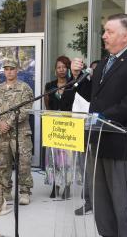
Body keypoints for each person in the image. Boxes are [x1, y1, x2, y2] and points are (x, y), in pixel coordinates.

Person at [71, 14, 127, 237]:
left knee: (123, 208)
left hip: (123, 147)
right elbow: (92, 97)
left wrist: (100, 117)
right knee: (103, 207)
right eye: (104, 31)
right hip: (99, 144)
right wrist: (77, 76)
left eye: (109, 31)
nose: (104, 36)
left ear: (125, 35)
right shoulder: (104, 63)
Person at [0, 59, 34, 205]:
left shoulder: (25, 88)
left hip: (20, 133)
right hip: (2, 133)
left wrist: (8, 122)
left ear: (17, 70)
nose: (9, 71)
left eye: (12, 69)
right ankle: (6, 191)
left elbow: (25, 110)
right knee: (3, 163)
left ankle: (25, 192)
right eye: (6, 69)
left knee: (23, 163)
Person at [44, 56, 75, 199]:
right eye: (58, 67)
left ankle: (67, 186)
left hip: (70, 126)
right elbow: (47, 106)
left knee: (67, 159)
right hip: (54, 126)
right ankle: (55, 185)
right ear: (55, 70)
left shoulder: (73, 84)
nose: (61, 70)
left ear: (68, 68)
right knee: (53, 158)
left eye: (64, 67)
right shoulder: (49, 86)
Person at [74, 60, 100, 216]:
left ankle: (102, 204)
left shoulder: (110, 88)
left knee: (99, 173)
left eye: (98, 70)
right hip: (83, 135)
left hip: (103, 137)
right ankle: (89, 202)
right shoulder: (85, 86)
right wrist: (78, 75)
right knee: (86, 171)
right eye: (92, 70)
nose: (94, 73)